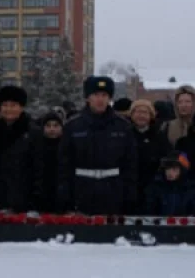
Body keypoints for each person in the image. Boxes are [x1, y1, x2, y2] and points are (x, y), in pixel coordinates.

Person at [58, 76, 139, 215]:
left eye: (104, 95)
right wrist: (65, 197)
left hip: (113, 192)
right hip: (81, 191)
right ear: (87, 97)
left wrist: (129, 195)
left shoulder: (123, 127)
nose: (100, 99)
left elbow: (131, 164)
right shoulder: (73, 126)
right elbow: (64, 164)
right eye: (95, 95)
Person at [0, 86, 42, 212]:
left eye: (13, 105)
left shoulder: (33, 132)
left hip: (24, 200)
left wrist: (35, 200)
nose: (9, 109)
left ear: (21, 107)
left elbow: (39, 169)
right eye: (5, 105)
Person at [129, 99, 172, 210]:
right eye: (138, 112)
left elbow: (167, 159)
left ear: (151, 116)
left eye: (145, 112)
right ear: (132, 114)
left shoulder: (159, 135)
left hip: (153, 189)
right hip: (129, 188)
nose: (141, 115)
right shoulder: (125, 134)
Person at [38, 112, 63, 213]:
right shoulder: (38, 147)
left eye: (56, 125)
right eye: (48, 126)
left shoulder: (67, 147)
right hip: (42, 196)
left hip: (62, 197)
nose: (52, 129)